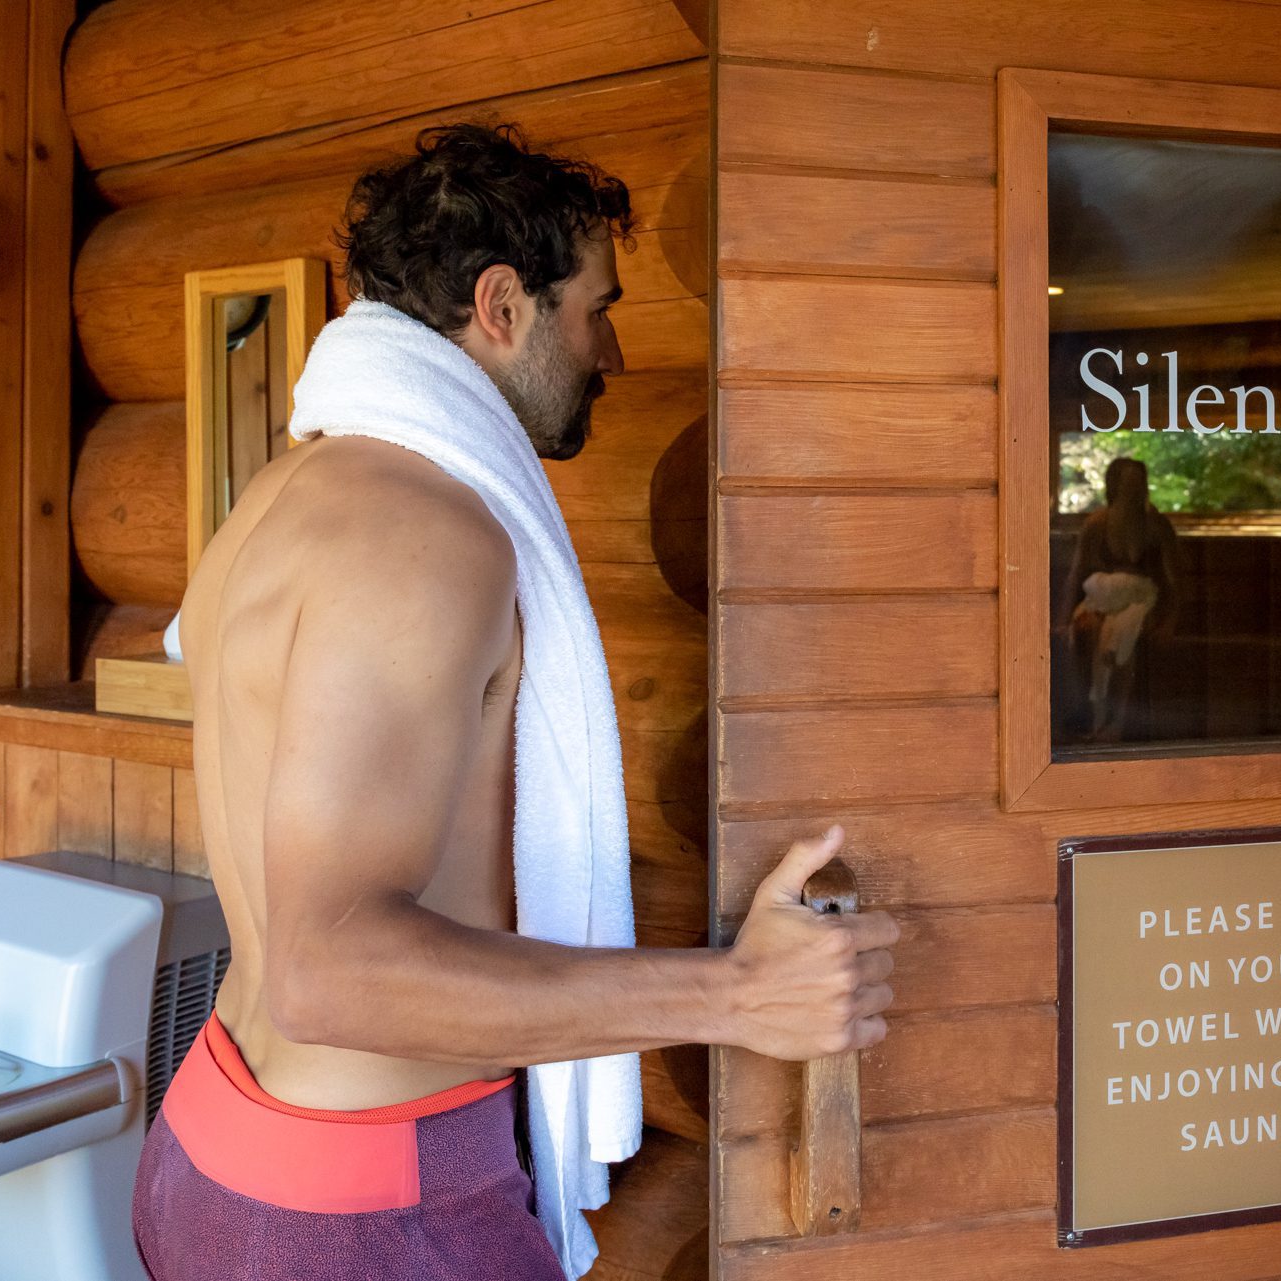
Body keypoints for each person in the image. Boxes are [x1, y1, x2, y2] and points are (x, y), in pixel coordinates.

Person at [131, 123, 898, 1281]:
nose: (613, 353)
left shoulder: (287, 496)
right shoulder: (421, 537)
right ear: (501, 305)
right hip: (357, 1214)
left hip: (225, 1144)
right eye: (594, 309)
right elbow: (329, 969)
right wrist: (741, 995)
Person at [1054, 456, 1179, 742]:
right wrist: (1063, 621)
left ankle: (1119, 720)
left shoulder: (1157, 526)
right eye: (1128, 484)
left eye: (1139, 484)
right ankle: (1091, 713)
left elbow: (1173, 582)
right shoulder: (1097, 524)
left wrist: (1168, 621)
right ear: (1114, 486)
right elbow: (1076, 575)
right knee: (1085, 630)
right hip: (1102, 599)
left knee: (1126, 637)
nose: (1133, 491)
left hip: (1143, 603)